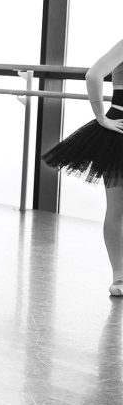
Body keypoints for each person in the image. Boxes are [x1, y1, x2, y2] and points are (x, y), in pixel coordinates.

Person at [43, 39, 123, 297]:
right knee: (118, 209)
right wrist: (101, 117)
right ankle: (120, 276)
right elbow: (93, 75)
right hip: (119, 131)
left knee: (118, 210)